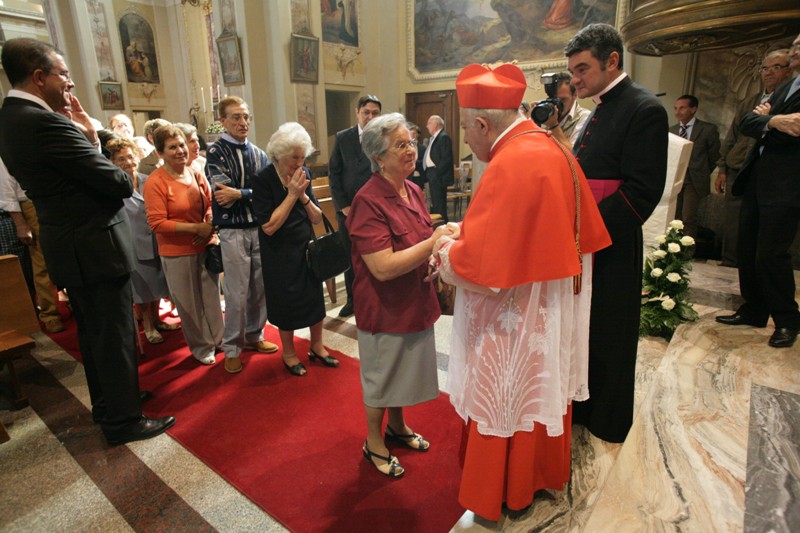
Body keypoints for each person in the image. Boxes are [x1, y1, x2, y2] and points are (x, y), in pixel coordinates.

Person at [433, 62, 610, 520]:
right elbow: (517, 235)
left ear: (482, 123)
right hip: (545, 302)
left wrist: (444, 248)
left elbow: (482, 267)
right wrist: (468, 233)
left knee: (506, 391)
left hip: (515, 313)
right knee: (538, 384)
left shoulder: (511, 161)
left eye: (466, 130)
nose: (467, 140)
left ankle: (501, 488)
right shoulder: (549, 146)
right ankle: (535, 477)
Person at [0, 37, 174, 445]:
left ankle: (110, 403)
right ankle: (124, 421)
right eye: (63, 74)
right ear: (39, 77)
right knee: (112, 334)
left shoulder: (9, 117)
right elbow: (118, 182)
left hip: (69, 242)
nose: (70, 83)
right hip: (94, 245)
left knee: (95, 335)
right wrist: (92, 137)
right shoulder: (45, 123)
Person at [566, 23, 669, 443]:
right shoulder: (600, 107)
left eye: (582, 69)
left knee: (610, 330)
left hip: (612, 241)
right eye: (572, 72)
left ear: (612, 60)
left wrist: (587, 231)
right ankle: (583, 405)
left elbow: (642, 191)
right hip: (585, 238)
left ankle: (607, 419)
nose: (575, 80)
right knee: (585, 328)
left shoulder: (644, 108)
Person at [347, 113, 455, 478]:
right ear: (379, 157)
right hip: (385, 307)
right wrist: (433, 242)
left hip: (413, 300)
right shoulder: (368, 200)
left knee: (401, 374)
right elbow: (381, 267)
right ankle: (374, 442)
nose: (411, 150)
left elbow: (418, 241)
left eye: (411, 142)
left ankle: (396, 426)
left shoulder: (413, 189)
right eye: (401, 145)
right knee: (381, 378)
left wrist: (433, 258)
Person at [716, 34, 800, 348]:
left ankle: (787, 320)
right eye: (794, 44)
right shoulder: (786, 89)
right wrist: (775, 121)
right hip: (756, 178)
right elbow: (748, 122)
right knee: (747, 248)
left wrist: (767, 120)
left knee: (771, 254)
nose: (795, 49)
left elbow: (793, 129)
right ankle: (754, 309)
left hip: (787, 183)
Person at [252, 122, 338, 376]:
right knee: (285, 302)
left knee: (314, 299)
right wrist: (291, 195)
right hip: (278, 252)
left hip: (306, 247)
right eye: (294, 158)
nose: (299, 163)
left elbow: (316, 217)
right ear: (279, 155)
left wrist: (302, 195)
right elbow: (269, 227)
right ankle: (289, 353)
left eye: (302, 158)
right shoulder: (263, 179)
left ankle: (317, 346)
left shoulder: (304, 174)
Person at [205, 97, 279, 375]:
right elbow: (222, 193)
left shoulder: (258, 153)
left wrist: (241, 193)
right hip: (233, 230)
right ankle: (232, 348)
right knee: (236, 292)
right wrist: (247, 193)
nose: (243, 122)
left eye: (246, 117)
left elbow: (267, 191)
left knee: (260, 287)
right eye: (236, 117)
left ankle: (254, 335)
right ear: (222, 120)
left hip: (258, 227)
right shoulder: (216, 152)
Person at [144, 125, 224, 365]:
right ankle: (202, 347)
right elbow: (157, 223)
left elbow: (209, 204)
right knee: (189, 304)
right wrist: (195, 229)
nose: (180, 151)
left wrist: (208, 223)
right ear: (160, 153)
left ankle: (219, 339)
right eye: (172, 147)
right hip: (177, 252)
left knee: (211, 298)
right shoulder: (155, 182)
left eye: (181, 145)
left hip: (205, 245)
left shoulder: (195, 173)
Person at [714, 49, 791, 267]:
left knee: (762, 221)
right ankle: (730, 261)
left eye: (776, 67)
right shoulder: (750, 101)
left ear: (789, 71)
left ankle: (753, 265)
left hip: (769, 170)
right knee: (733, 217)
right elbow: (732, 135)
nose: (769, 73)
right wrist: (722, 168)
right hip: (738, 166)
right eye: (764, 68)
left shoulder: (789, 102)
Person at [107, 136, 176, 344]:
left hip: (157, 240)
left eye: (130, 156)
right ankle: (148, 325)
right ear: (112, 162)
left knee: (158, 284)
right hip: (133, 243)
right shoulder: (113, 187)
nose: (128, 162)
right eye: (121, 159)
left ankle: (157, 319)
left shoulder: (149, 180)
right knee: (143, 289)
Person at [328, 94, 382, 318]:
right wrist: (343, 206)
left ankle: (376, 297)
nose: (370, 117)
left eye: (375, 113)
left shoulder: (383, 136)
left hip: (376, 208)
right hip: (348, 209)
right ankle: (352, 299)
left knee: (377, 252)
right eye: (366, 112)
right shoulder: (343, 137)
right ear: (357, 112)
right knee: (350, 256)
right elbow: (334, 173)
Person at [0, 157, 63, 333]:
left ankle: (77, 304)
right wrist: (20, 223)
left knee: (68, 254)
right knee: (42, 262)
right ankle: (50, 314)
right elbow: (6, 188)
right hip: (30, 203)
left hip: (58, 197)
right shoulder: (6, 148)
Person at [669, 94, 721, 238]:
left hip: (694, 179)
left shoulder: (707, 129)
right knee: (674, 217)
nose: (677, 112)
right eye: (675, 108)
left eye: (682, 108)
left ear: (693, 109)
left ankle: (687, 249)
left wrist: (701, 171)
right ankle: (670, 247)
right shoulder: (671, 131)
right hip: (675, 179)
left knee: (688, 217)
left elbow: (714, 156)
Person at [542, 72, 591, 151]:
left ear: (575, 94)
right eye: (554, 99)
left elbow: (575, 153)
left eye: (562, 100)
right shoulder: (545, 113)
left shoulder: (585, 117)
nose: (557, 104)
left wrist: (553, 126)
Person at [422, 114, 455, 222]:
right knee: (435, 203)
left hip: (438, 175)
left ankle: (442, 224)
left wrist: (436, 173)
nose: (427, 126)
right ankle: (438, 224)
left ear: (436, 124)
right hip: (432, 173)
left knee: (439, 204)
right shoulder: (435, 137)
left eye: (429, 123)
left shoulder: (443, 137)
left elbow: (446, 159)